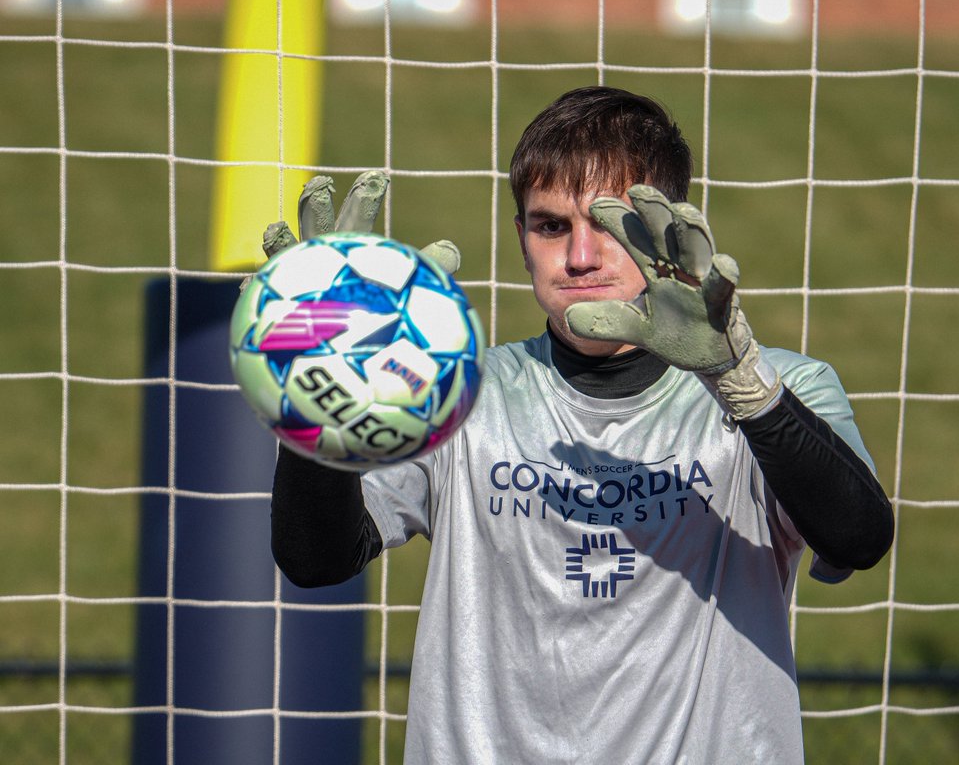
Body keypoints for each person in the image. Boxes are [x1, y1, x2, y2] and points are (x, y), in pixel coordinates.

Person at [266, 86, 894, 763]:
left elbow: (858, 538)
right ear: (521, 240)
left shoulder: (780, 385)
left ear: (667, 231)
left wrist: (740, 384)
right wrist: (317, 395)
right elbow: (315, 559)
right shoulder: (457, 389)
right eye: (551, 226)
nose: (581, 257)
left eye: (610, 224)